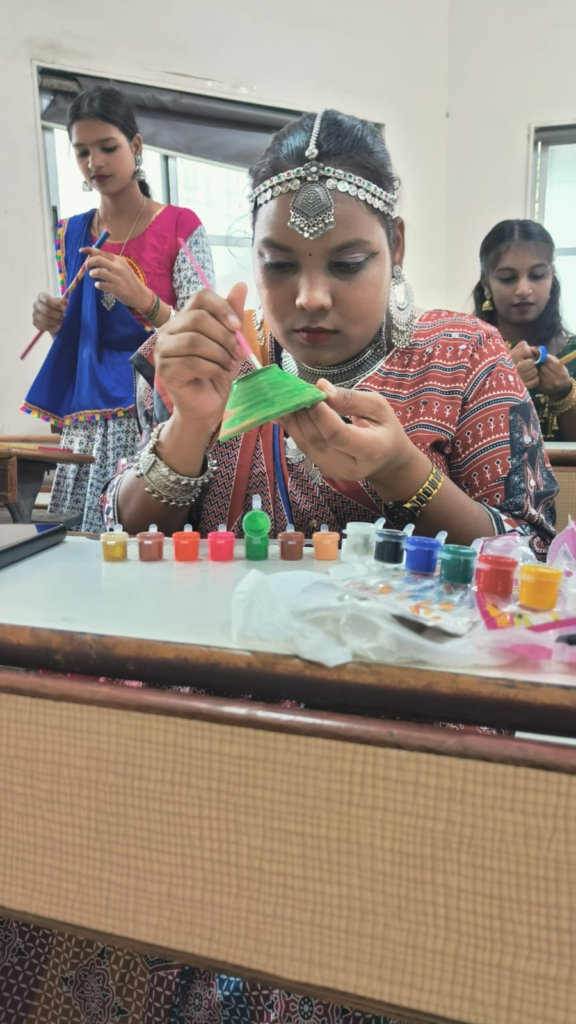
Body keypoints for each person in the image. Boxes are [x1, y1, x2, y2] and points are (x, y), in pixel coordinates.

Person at [1, 110, 557, 1024]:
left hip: (412, 746)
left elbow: (535, 569)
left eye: (347, 263)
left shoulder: (463, 359)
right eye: (279, 265)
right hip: (221, 726)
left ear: (396, 247)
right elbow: (113, 544)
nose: (310, 300)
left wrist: (403, 474)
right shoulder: (224, 359)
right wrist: (189, 423)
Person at [22, 86, 214, 532]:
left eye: (107, 147)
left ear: (136, 146)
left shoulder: (180, 226)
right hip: (86, 424)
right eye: (82, 152)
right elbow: (84, 335)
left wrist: (145, 301)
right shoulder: (71, 233)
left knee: (145, 548)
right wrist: (54, 322)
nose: (95, 162)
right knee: (78, 551)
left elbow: (204, 333)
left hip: (154, 417)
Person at [473, 219, 576, 442]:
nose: (523, 289)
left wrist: (564, 394)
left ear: (552, 277)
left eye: (537, 275)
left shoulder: (573, 353)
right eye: (507, 278)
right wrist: (499, 388)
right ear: (486, 284)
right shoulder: (465, 354)